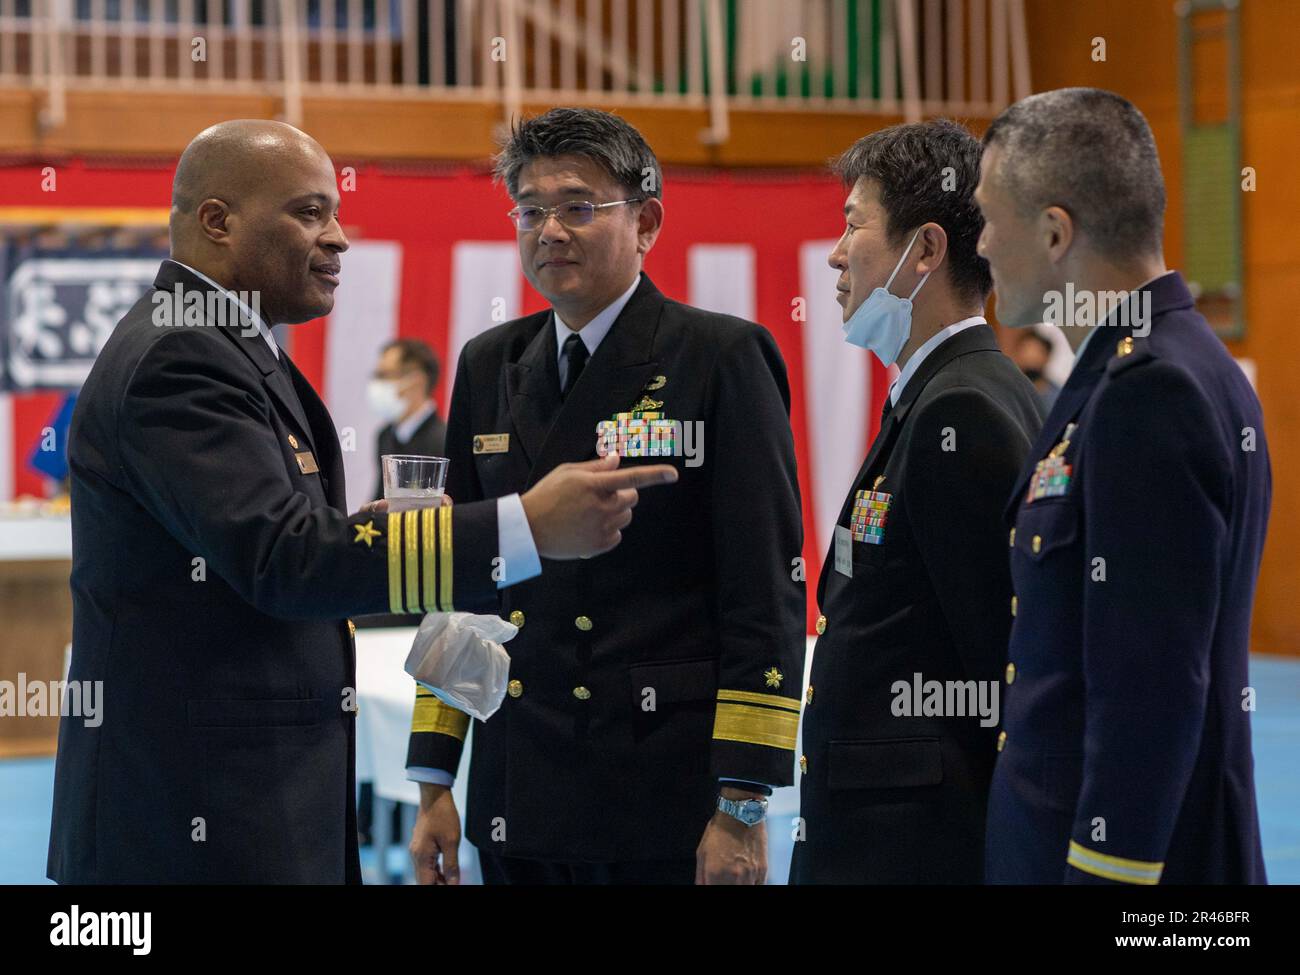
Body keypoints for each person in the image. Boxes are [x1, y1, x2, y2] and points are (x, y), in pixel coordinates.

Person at [47, 119, 675, 884]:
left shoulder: (229, 347)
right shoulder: (181, 358)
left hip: (231, 802)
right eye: (310, 212)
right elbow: (286, 560)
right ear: (217, 222)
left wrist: (363, 533)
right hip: (192, 823)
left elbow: (269, 541)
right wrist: (526, 525)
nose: (339, 237)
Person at [405, 107, 805, 885]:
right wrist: (433, 782)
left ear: (647, 220)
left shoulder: (718, 356)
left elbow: (765, 594)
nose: (549, 229)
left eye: (578, 206)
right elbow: (460, 583)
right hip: (517, 783)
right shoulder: (491, 363)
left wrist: (743, 806)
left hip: (661, 790)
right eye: (530, 209)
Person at [975, 87, 1271, 884]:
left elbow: (1152, 687)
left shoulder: (1150, 389)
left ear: (1054, 231)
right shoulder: (1160, 362)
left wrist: (1110, 880)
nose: (981, 245)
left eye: (988, 218)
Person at [789, 120, 1043, 884]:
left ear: (925, 250)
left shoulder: (960, 411)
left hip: (911, 846)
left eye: (852, 224)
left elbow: (1002, 669)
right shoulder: (941, 393)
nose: (834, 253)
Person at [368, 338, 448, 502]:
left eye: (385, 375)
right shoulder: (385, 436)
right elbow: (381, 499)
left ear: (417, 380)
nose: (377, 384)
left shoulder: (445, 439)